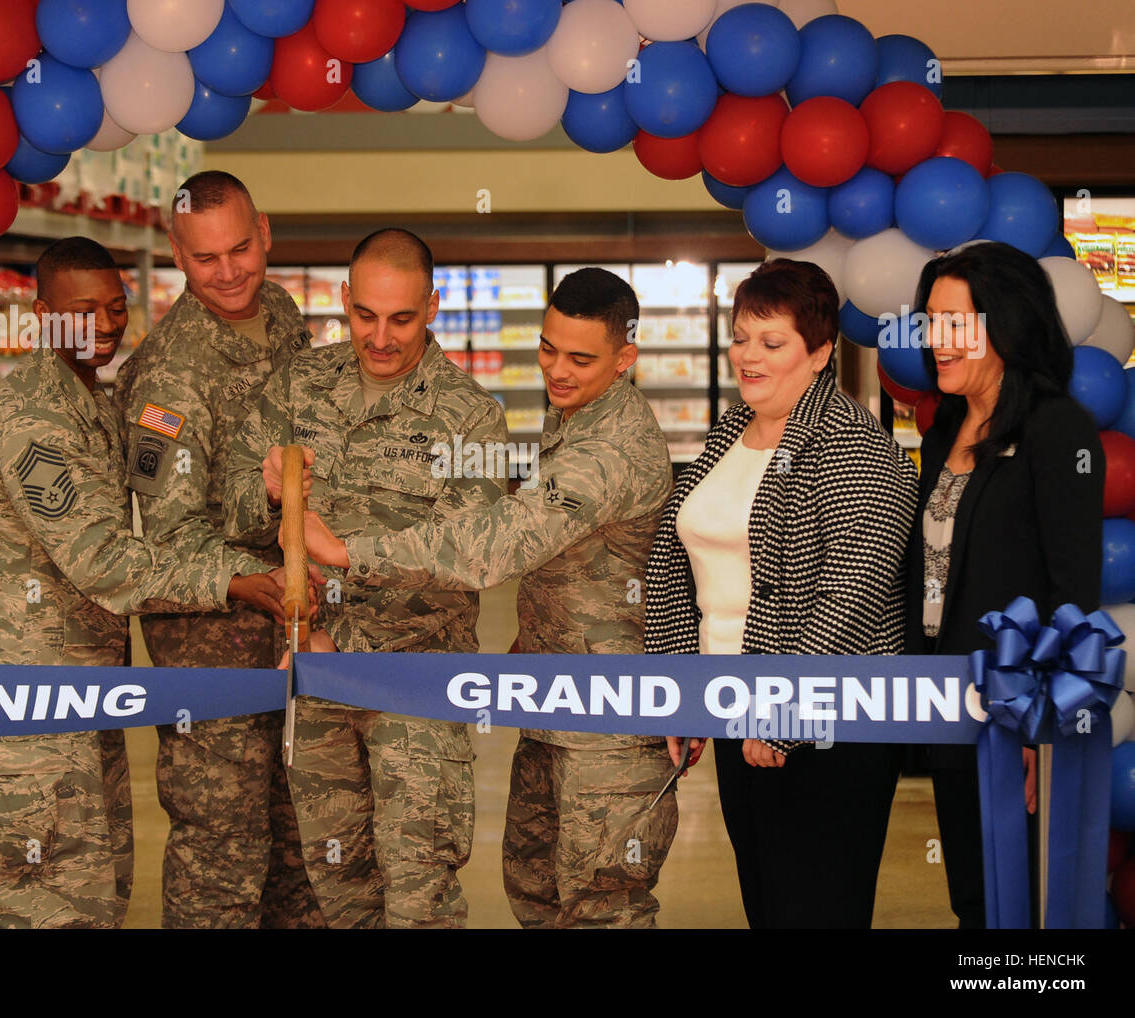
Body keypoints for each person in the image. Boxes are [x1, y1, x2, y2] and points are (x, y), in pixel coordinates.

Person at [299, 267, 678, 927]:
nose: (557, 370)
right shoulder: (579, 421)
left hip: (609, 728)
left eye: (581, 358)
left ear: (626, 357)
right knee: (536, 893)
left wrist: (346, 552)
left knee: (601, 907)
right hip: (555, 700)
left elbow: (500, 543)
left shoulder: (611, 450)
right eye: (549, 348)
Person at [0, 237, 291, 929]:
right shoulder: (33, 421)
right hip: (26, 698)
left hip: (83, 682)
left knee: (98, 887)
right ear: (42, 314)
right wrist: (235, 580)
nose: (106, 326)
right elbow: (103, 560)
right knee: (50, 894)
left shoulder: (93, 400)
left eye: (116, 307)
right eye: (84, 312)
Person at [224, 227, 509, 928]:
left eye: (402, 319)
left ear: (433, 305)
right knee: (337, 884)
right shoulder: (300, 386)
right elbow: (232, 511)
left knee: (418, 893)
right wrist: (264, 492)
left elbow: (471, 552)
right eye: (365, 315)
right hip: (316, 682)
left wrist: (347, 548)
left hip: (416, 688)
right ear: (345, 300)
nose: (380, 337)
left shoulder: (471, 417)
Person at [645, 258, 918, 929]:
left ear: (821, 352)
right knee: (767, 905)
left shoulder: (853, 445)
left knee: (816, 908)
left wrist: (786, 704)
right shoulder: (730, 431)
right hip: (737, 705)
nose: (749, 356)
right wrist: (684, 692)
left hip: (828, 720)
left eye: (773, 344)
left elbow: (851, 593)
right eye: (741, 337)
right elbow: (683, 563)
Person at [112, 171, 323, 929]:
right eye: (206, 259)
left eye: (241, 248)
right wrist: (250, 579)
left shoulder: (282, 313)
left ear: (264, 232)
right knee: (222, 852)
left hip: (293, 625)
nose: (229, 271)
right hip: (211, 644)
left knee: (300, 835)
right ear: (176, 254)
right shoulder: (167, 381)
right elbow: (161, 541)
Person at [903, 240, 1103, 929]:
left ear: (1007, 325)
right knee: (973, 900)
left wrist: (1033, 726)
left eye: (954, 323)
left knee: (1019, 905)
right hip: (950, 704)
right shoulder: (945, 427)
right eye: (929, 322)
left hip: (1018, 718)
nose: (935, 340)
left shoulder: (1057, 427)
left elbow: (1072, 589)